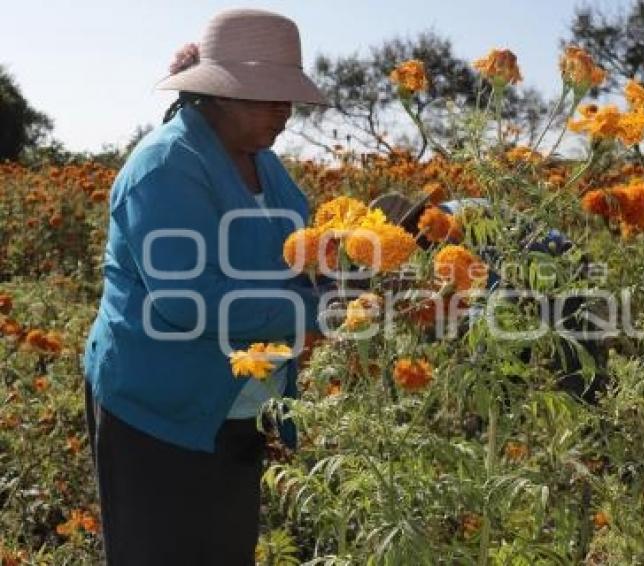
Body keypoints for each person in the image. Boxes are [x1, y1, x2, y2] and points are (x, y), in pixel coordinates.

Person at [81, 9, 328, 565]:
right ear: (218, 94)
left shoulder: (266, 165)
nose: (283, 111)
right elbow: (190, 301)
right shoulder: (165, 168)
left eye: (287, 96)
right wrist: (322, 310)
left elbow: (296, 251)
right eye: (267, 96)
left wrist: (349, 268)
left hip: (233, 410)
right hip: (158, 411)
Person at [370, 192, 610, 404]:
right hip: (535, 271)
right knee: (506, 358)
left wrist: (478, 336)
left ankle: (598, 432)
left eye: (405, 238)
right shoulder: (443, 223)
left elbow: (494, 284)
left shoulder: (453, 223)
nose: (413, 248)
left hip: (558, 265)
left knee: (575, 365)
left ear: (415, 222)